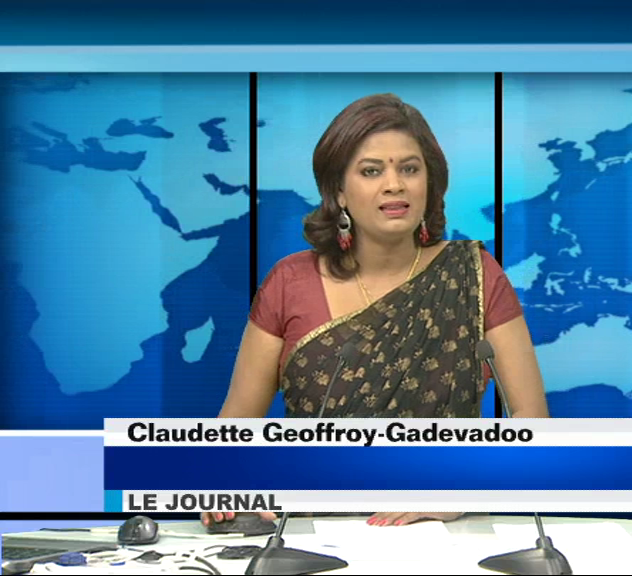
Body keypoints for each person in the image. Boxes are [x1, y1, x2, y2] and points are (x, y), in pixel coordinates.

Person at [203, 93, 550, 529]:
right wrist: (222, 484)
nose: (394, 185)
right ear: (339, 191)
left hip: (443, 532)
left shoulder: (473, 274)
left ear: (430, 183)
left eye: (410, 169)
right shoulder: (289, 282)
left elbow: (532, 423)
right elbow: (234, 430)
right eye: (371, 171)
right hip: (307, 535)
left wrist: (459, 493)